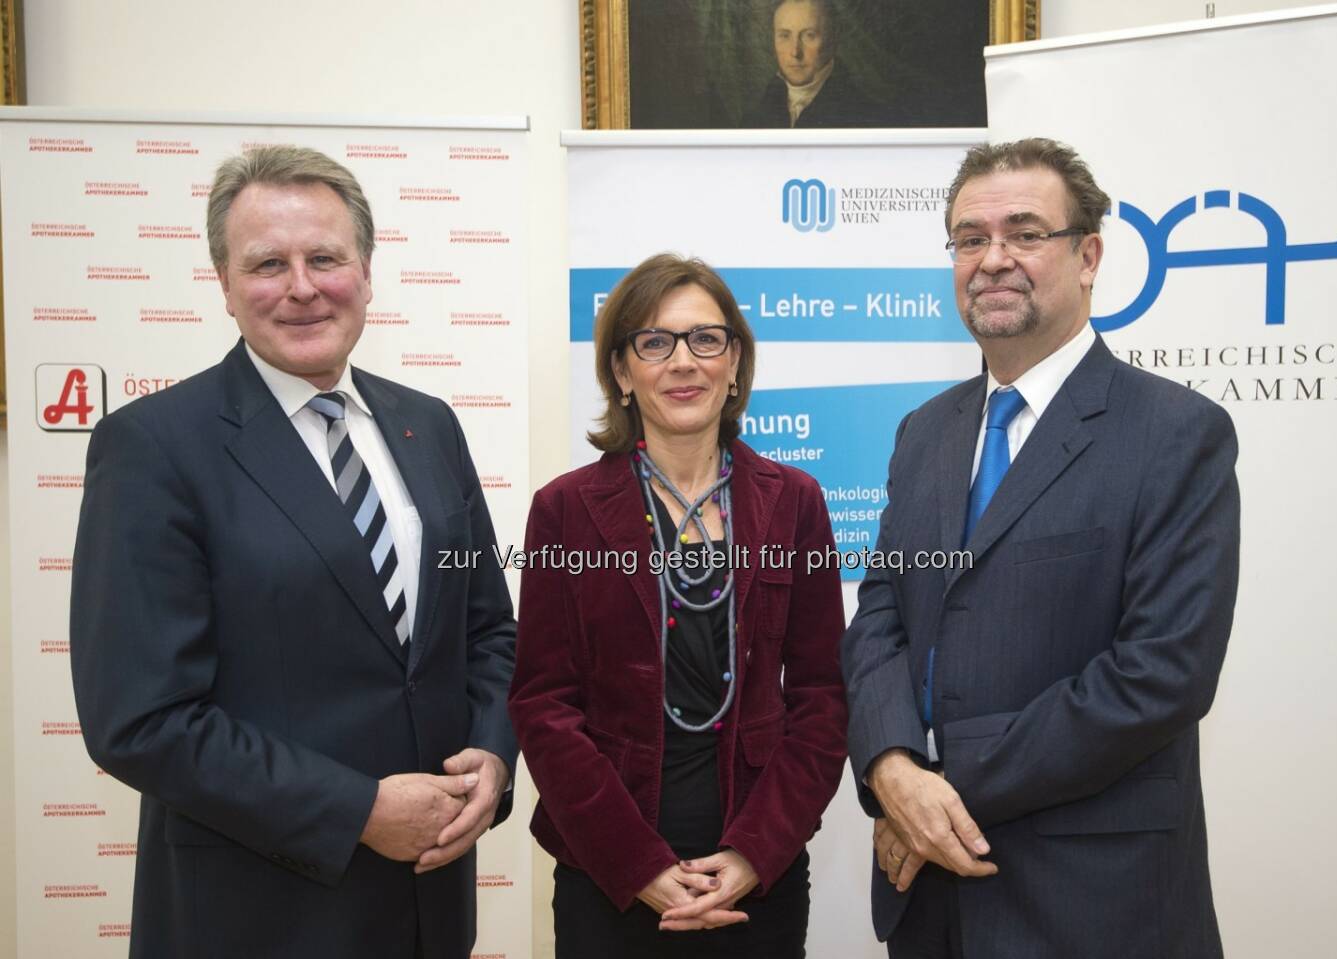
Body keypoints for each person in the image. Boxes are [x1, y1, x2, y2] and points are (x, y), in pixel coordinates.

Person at [69, 145, 518, 958]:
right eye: (268, 263)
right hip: (256, 912)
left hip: (429, 903)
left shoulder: (429, 425)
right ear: (226, 284)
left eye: (325, 258)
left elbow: (487, 627)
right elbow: (140, 718)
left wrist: (492, 749)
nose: (302, 286)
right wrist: (357, 810)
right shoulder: (154, 446)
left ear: (367, 271)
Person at [842, 138, 1240, 957]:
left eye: (1025, 232)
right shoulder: (925, 433)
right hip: (933, 910)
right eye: (969, 238)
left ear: (1088, 255)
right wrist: (888, 766)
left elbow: (1161, 673)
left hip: (1094, 906)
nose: (993, 259)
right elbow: (882, 613)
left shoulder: (1176, 433)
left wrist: (938, 793)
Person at [508, 253, 847, 957]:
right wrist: (641, 866)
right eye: (654, 342)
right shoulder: (564, 511)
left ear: (734, 365)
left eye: (705, 339)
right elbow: (544, 703)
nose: (683, 362)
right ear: (623, 373)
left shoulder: (796, 502)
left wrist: (756, 852)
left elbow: (821, 697)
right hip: (611, 878)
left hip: (757, 877)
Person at [741, 0, 888, 128]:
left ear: (832, 38)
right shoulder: (755, 117)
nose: (795, 52)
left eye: (809, 35)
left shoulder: (865, 115)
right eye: (784, 36)